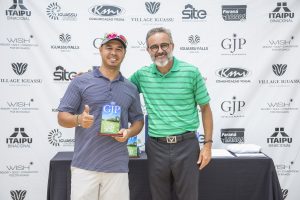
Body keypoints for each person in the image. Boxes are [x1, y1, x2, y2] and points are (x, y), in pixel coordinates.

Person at [57, 32, 144, 200]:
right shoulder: (80, 81)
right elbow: (62, 117)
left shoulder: (131, 88)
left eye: (119, 49)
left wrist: (129, 132)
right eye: (109, 48)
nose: (114, 52)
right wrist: (78, 120)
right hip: (85, 166)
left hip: (117, 167)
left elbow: (138, 121)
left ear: (124, 53)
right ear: (100, 50)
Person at [129, 27, 213, 200]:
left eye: (164, 45)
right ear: (148, 50)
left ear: (172, 46)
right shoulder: (142, 75)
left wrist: (208, 146)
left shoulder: (191, 72)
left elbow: (205, 108)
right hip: (156, 146)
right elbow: (118, 87)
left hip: (187, 146)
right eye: (154, 47)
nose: (160, 51)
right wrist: (91, 76)